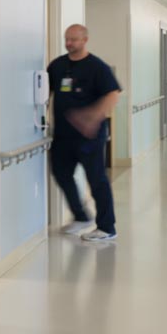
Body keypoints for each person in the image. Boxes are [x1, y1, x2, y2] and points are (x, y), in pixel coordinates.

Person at [47, 24, 122, 243]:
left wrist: (93, 116)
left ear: (85, 40)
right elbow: (45, 91)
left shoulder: (97, 67)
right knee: (61, 173)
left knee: (96, 180)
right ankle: (81, 216)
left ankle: (107, 227)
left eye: (74, 39)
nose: (69, 43)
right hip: (63, 135)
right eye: (67, 39)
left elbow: (112, 95)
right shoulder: (58, 66)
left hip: (90, 136)